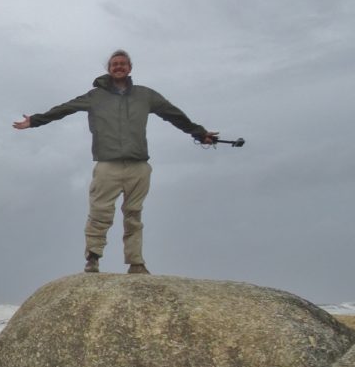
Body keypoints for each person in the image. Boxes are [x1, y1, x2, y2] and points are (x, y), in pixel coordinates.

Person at [12, 50, 217, 274]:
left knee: (134, 214)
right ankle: (93, 258)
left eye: (123, 64)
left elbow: (174, 115)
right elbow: (64, 109)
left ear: (130, 68)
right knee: (100, 213)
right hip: (107, 164)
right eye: (114, 64)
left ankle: (136, 262)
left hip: (138, 165)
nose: (118, 67)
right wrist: (34, 121)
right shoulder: (95, 96)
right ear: (109, 69)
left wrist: (199, 133)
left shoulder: (146, 95)